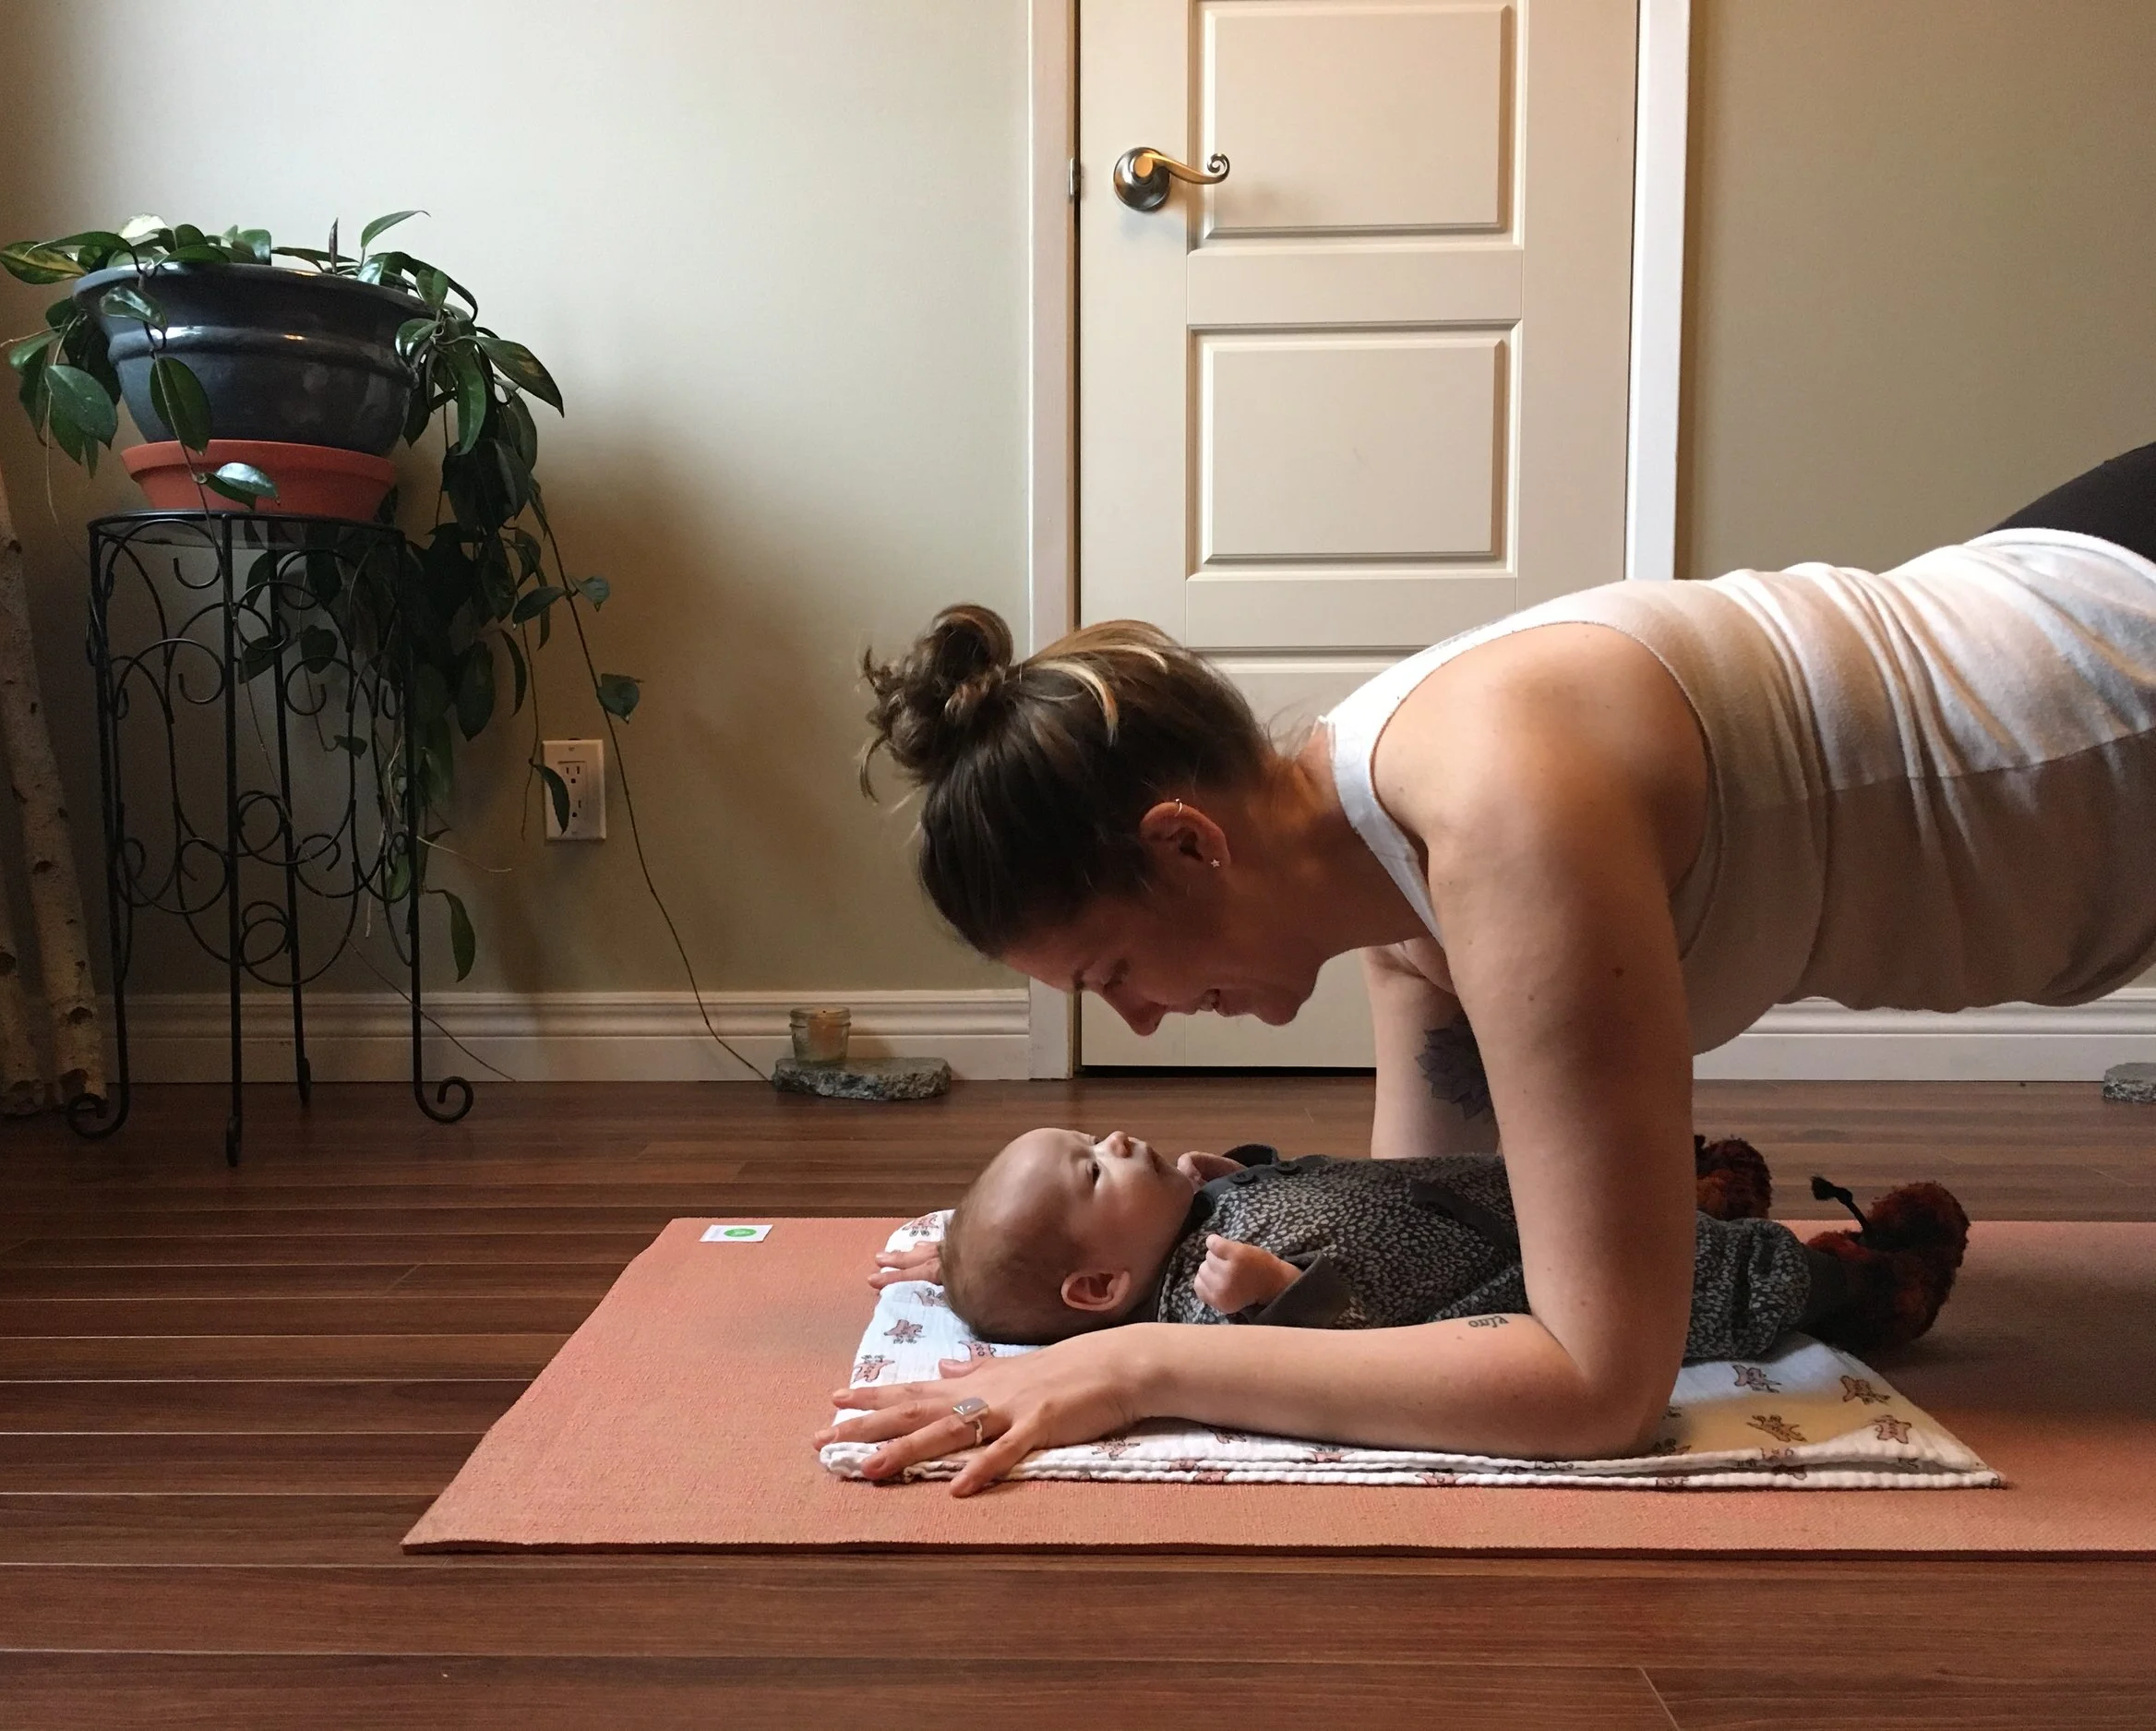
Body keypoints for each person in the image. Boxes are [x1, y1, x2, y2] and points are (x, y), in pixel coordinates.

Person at [821, 442, 2156, 1496]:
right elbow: (1433, 1272)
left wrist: (1138, 1361)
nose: (1146, 1025)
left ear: (1187, 845)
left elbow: (1595, 1384)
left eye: (1118, 968)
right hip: (2055, 590)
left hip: (2119, 662)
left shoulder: (1502, 819)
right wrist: (984, 1272)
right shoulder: (1397, 890)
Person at [916, 1126, 1964, 1362]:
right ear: (1101, 1284)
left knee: (1577, 1170)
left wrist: (1233, 1173)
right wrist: (1274, 1291)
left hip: (1478, 1195)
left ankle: (1692, 1192)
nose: (1115, 1139)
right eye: (1091, 1171)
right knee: (1701, 1277)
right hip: (1501, 1272)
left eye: (1085, 1139)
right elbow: (1341, 1348)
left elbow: (1301, 1176)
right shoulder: (1202, 1305)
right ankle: (1860, 1286)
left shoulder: (1190, 1209)